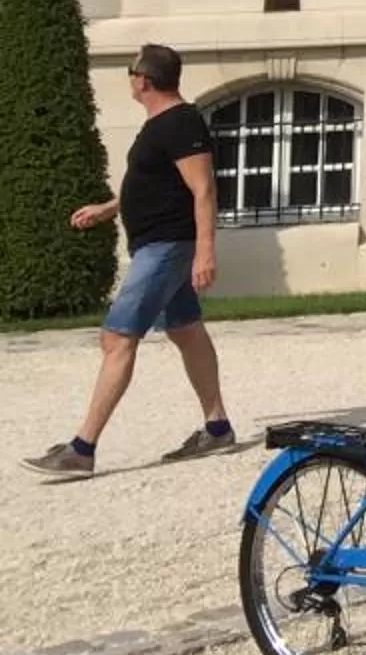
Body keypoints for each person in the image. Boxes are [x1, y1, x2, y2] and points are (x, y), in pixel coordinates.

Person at [27, 44, 235, 479]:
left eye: (130, 72)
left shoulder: (180, 123)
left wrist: (205, 250)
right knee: (186, 331)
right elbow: (153, 183)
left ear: (144, 80)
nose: (129, 79)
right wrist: (109, 208)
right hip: (158, 244)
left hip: (167, 247)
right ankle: (217, 428)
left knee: (117, 339)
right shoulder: (161, 124)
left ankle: (81, 449)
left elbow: (204, 190)